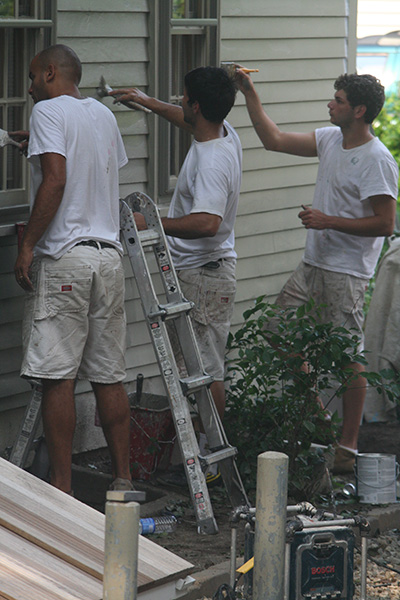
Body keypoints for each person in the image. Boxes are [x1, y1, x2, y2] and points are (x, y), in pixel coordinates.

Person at [236, 70, 398, 474]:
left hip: (346, 273)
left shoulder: (377, 159)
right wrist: (249, 93)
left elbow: (385, 224)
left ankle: (347, 447)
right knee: (275, 329)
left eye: (338, 100)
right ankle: (319, 416)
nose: (330, 104)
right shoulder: (329, 139)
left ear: (358, 110)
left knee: (347, 357)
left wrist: (328, 221)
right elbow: (274, 140)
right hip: (312, 264)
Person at [111, 67, 241, 481]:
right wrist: (147, 102)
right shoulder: (223, 133)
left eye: (183, 97)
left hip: (203, 276)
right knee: (201, 368)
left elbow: (207, 222)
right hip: (206, 272)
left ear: (196, 105)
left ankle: (210, 458)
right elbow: (185, 119)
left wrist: (151, 221)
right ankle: (206, 454)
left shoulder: (211, 161)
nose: (180, 102)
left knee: (203, 372)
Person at [14, 44, 133, 494]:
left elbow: (57, 179)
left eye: (32, 77)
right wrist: (39, 142)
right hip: (108, 258)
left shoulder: (47, 111)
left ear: (50, 72)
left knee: (57, 377)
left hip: (67, 258)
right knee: (108, 375)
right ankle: (123, 482)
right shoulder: (102, 114)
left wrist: (28, 245)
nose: (29, 88)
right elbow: (90, 165)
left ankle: (61, 489)